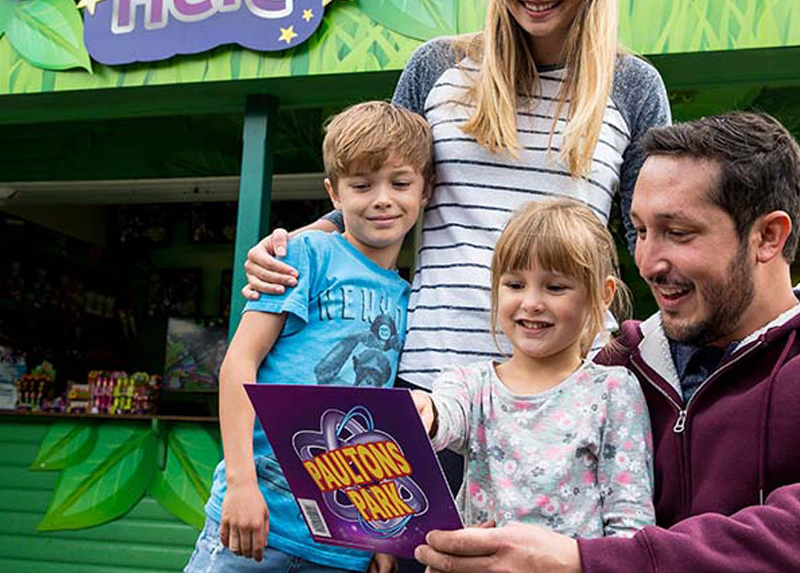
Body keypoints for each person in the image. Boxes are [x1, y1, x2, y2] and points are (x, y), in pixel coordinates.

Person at [242, 0, 670, 396]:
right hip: (432, 377)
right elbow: (385, 183)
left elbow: (650, 235)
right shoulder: (437, 67)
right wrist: (293, 244)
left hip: (571, 383)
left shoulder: (632, 85)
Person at [415, 110, 800, 573]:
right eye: (639, 232)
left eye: (677, 233)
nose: (647, 261)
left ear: (768, 237)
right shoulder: (622, 362)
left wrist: (585, 561)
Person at [184, 101, 434, 573]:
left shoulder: (410, 298)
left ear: (426, 191)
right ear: (334, 194)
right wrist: (240, 484)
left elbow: (383, 419)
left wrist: (383, 529)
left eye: (400, 183)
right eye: (362, 185)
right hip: (258, 522)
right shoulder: (307, 254)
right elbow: (239, 363)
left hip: (343, 541)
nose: (382, 198)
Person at [412, 198, 654, 537]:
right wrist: (426, 412)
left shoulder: (613, 391)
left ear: (602, 295)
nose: (531, 303)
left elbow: (630, 523)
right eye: (514, 284)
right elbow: (445, 414)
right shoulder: (472, 385)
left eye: (555, 287)